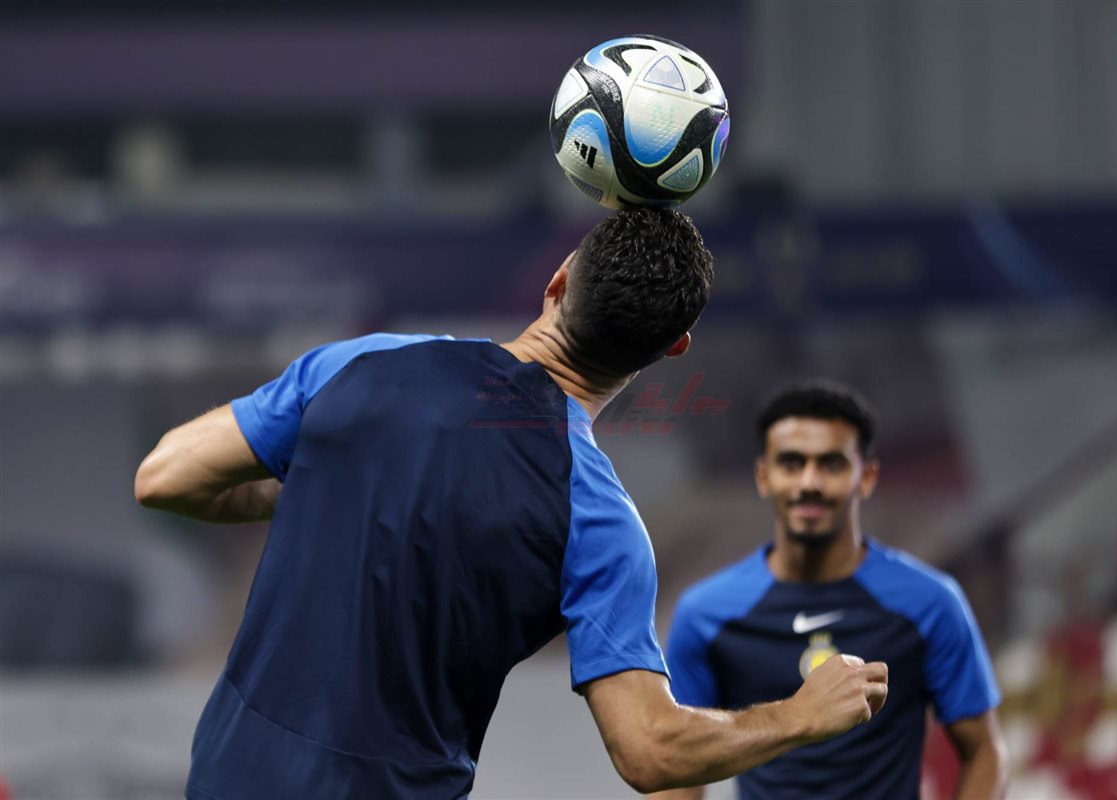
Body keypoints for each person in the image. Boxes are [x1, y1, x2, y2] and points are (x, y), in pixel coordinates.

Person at [134, 209, 889, 800]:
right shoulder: (598, 521)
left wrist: (333, 488)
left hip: (231, 778)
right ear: (673, 349)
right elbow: (649, 750)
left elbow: (165, 477)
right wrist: (797, 716)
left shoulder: (364, 364)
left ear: (557, 283)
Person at [653, 382, 1008, 800]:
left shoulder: (930, 603)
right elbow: (677, 770)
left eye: (831, 464)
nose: (809, 482)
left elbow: (985, 752)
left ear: (867, 477)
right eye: (791, 463)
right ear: (763, 476)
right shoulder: (706, 615)